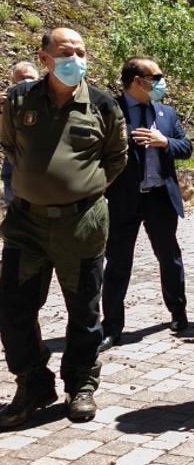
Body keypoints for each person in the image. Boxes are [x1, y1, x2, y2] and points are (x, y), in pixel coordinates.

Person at [0, 28, 128, 427]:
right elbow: (9, 146)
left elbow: (116, 157)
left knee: (84, 312)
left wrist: (81, 190)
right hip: (26, 224)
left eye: (80, 51)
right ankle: (34, 382)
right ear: (44, 58)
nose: (75, 58)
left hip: (82, 225)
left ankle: (81, 385)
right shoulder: (19, 100)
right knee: (13, 309)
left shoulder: (104, 105)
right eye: (65, 51)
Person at [100, 56, 193, 352]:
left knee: (170, 257)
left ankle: (178, 314)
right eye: (157, 77)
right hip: (122, 200)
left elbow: (186, 148)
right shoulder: (108, 110)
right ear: (138, 81)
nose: (162, 82)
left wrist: (164, 141)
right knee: (117, 264)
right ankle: (112, 328)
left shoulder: (165, 113)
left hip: (159, 198)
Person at [1, 61, 40, 204]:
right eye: (20, 79)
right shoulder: (10, 100)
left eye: (30, 78)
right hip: (13, 158)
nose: (25, 83)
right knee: (14, 204)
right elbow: (4, 135)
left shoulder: (48, 98)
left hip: (40, 159)